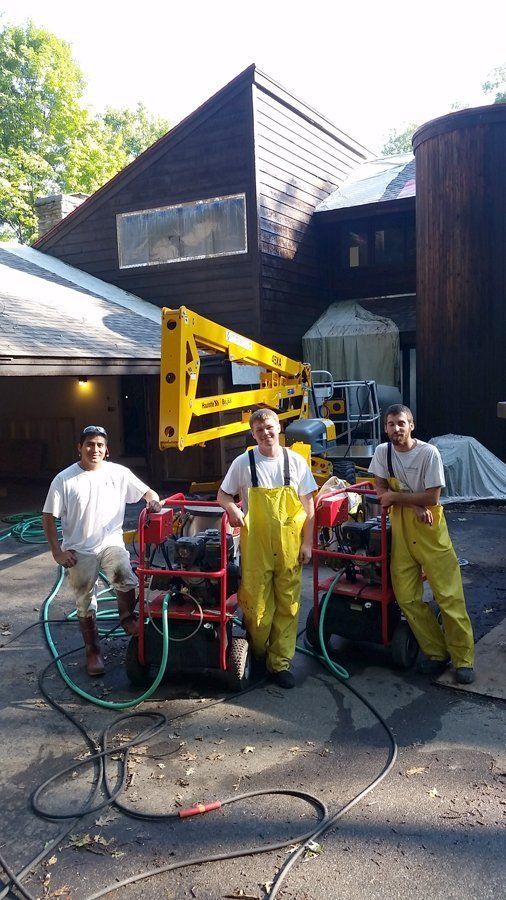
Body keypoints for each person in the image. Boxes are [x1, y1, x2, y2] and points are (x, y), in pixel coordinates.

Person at [42, 425, 161, 676]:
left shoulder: (118, 473)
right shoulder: (64, 479)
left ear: (107, 450)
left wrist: (153, 500)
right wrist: (57, 552)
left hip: (110, 542)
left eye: (99, 445)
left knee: (124, 574)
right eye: (89, 444)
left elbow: (147, 492)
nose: (94, 449)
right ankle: (93, 651)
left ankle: (127, 617)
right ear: (79, 448)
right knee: (85, 601)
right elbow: (48, 516)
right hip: (79, 549)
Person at [368, 404, 475, 684]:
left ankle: (463, 659)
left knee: (449, 596)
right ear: (385, 428)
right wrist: (412, 503)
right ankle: (436, 652)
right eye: (390, 424)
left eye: (401, 423)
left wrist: (404, 500)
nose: (396, 429)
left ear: (411, 425)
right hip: (401, 530)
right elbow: (380, 489)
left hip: (430, 530)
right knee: (406, 597)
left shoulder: (429, 453)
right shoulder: (383, 452)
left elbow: (432, 498)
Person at [217, 409, 317, 688]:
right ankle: (258, 654)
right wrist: (231, 507)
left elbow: (309, 508)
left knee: (288, 604)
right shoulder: (243, 462)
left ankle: (280, 664)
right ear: (253, 433)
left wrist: (307, 543)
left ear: (279, 427)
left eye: (270, 427)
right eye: (260, 430)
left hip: (289, 546)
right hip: (256, 547)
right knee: (257, 605)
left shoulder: (296, 462)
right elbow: (223, 494)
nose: (266, 433)